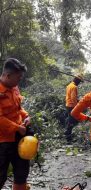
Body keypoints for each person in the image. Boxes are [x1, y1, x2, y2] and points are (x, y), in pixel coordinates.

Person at [0, 58, 31, 190]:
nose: (19, 80)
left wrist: (26, 116)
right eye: (18, 78)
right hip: (3, 141)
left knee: (21, 172)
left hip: (19, 137)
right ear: (8, 75)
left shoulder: (14, 88)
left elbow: (18, 108)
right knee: (0, 176)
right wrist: (17, 127)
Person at [64, 74, 83, 142]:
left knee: (70, 120)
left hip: (68, 105)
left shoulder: (69, 85)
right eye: (79, 82)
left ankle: (67, 134)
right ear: (77, 81)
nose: (79, 83)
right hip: (72, 106)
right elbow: (73, 98)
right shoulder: (74, 87)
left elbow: (69, 96)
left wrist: (79, 100)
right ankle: (68, 137)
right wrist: (77, 107)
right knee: (72, 121)